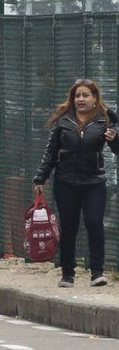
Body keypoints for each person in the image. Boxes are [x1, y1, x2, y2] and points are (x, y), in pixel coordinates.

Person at [34, 79, 118, 288]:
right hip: (66, 181)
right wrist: (40, 178)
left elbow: (117, 149)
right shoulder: (64, 121)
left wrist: (114, 139)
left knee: (94, 222)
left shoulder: (105, 119)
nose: (80, 99)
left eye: (85, 95)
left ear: (95, 98)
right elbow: (51, 152)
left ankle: (97, 272)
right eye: (77, 96)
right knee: (69, 227)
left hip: (94, 181)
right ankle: (67, 274)